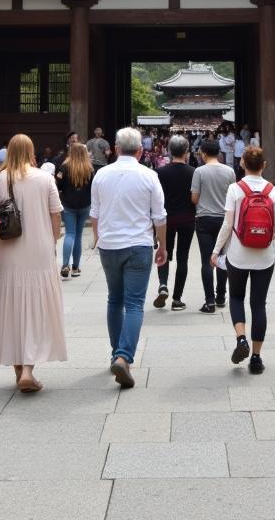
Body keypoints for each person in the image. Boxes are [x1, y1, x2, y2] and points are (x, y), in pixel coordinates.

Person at [0, 134, 66, 393]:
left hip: (9, 250)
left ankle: (19, 368)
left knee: (12, 305)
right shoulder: (44, 178)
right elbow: (56, 216)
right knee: (37, 306)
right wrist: (52, 242)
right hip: (40, 249)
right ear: (32, 152)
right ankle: (28, 369)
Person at [91, 127, 167, 388]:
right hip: (138, 244)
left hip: (110, 244)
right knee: (134, 304)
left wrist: (98, 239)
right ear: (140, 150)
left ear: (115, 147)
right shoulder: (149, 175)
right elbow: (159, 216)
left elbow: (95, 213)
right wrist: (163, 246)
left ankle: (116, 353)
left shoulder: (101, 174)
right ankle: (124, 356)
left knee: (115, 299)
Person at [210, 145, 275, 375]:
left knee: (235, 296)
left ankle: (241, 338)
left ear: (242, 163)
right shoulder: (273, 191)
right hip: (264, 255)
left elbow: (227, 224)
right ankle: (256, 357)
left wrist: (216, 251)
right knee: (258, 304)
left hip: (238, 253)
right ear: (264, 165)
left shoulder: (236, 189)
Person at [191, 137, 235, 312]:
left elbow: (194, 198)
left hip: (204, 219)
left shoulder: (199, 172)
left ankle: (209, 301)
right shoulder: (229, 171)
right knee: (222, 258)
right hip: (224, 219)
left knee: (207, 260)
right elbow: (234, 196)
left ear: (204, 153)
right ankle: (221, 295)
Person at [153, 134, 196, 312]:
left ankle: (163, 284)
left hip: (166, 219)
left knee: (164, 252)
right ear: (186, 152)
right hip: (187, 218)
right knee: (183, 257)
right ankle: (177, 298)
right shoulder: (194, 172)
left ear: (169, 151)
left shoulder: (160, 173)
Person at [56, 141, 93, 278]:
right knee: (78, 235)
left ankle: (65, 265)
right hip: (84, 205)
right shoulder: (89, 168)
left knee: (69, 234)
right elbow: (92, 188)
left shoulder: (64, 167)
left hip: (68, 204)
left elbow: (57, 185)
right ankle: (76, 267)